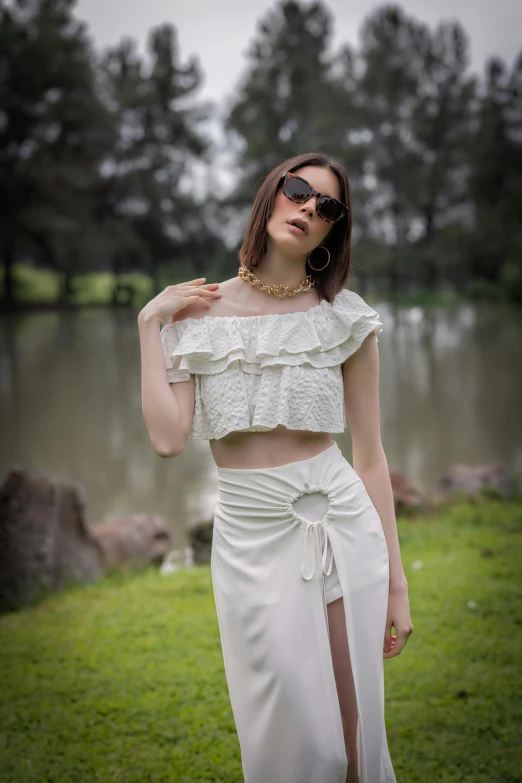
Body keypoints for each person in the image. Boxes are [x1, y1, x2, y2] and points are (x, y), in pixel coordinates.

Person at [137, 151, 414, 783]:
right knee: (295, 744)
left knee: (354, 741)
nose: (310, 208)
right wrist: (148, 326)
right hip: (249, 537)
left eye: (328, 206)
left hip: (342, 524)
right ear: (272, 195)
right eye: (299, 191)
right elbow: (166, 439)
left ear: (333, 230)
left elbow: (370, 455)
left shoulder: (346, 319)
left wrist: (397, 583)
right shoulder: (193, 317)